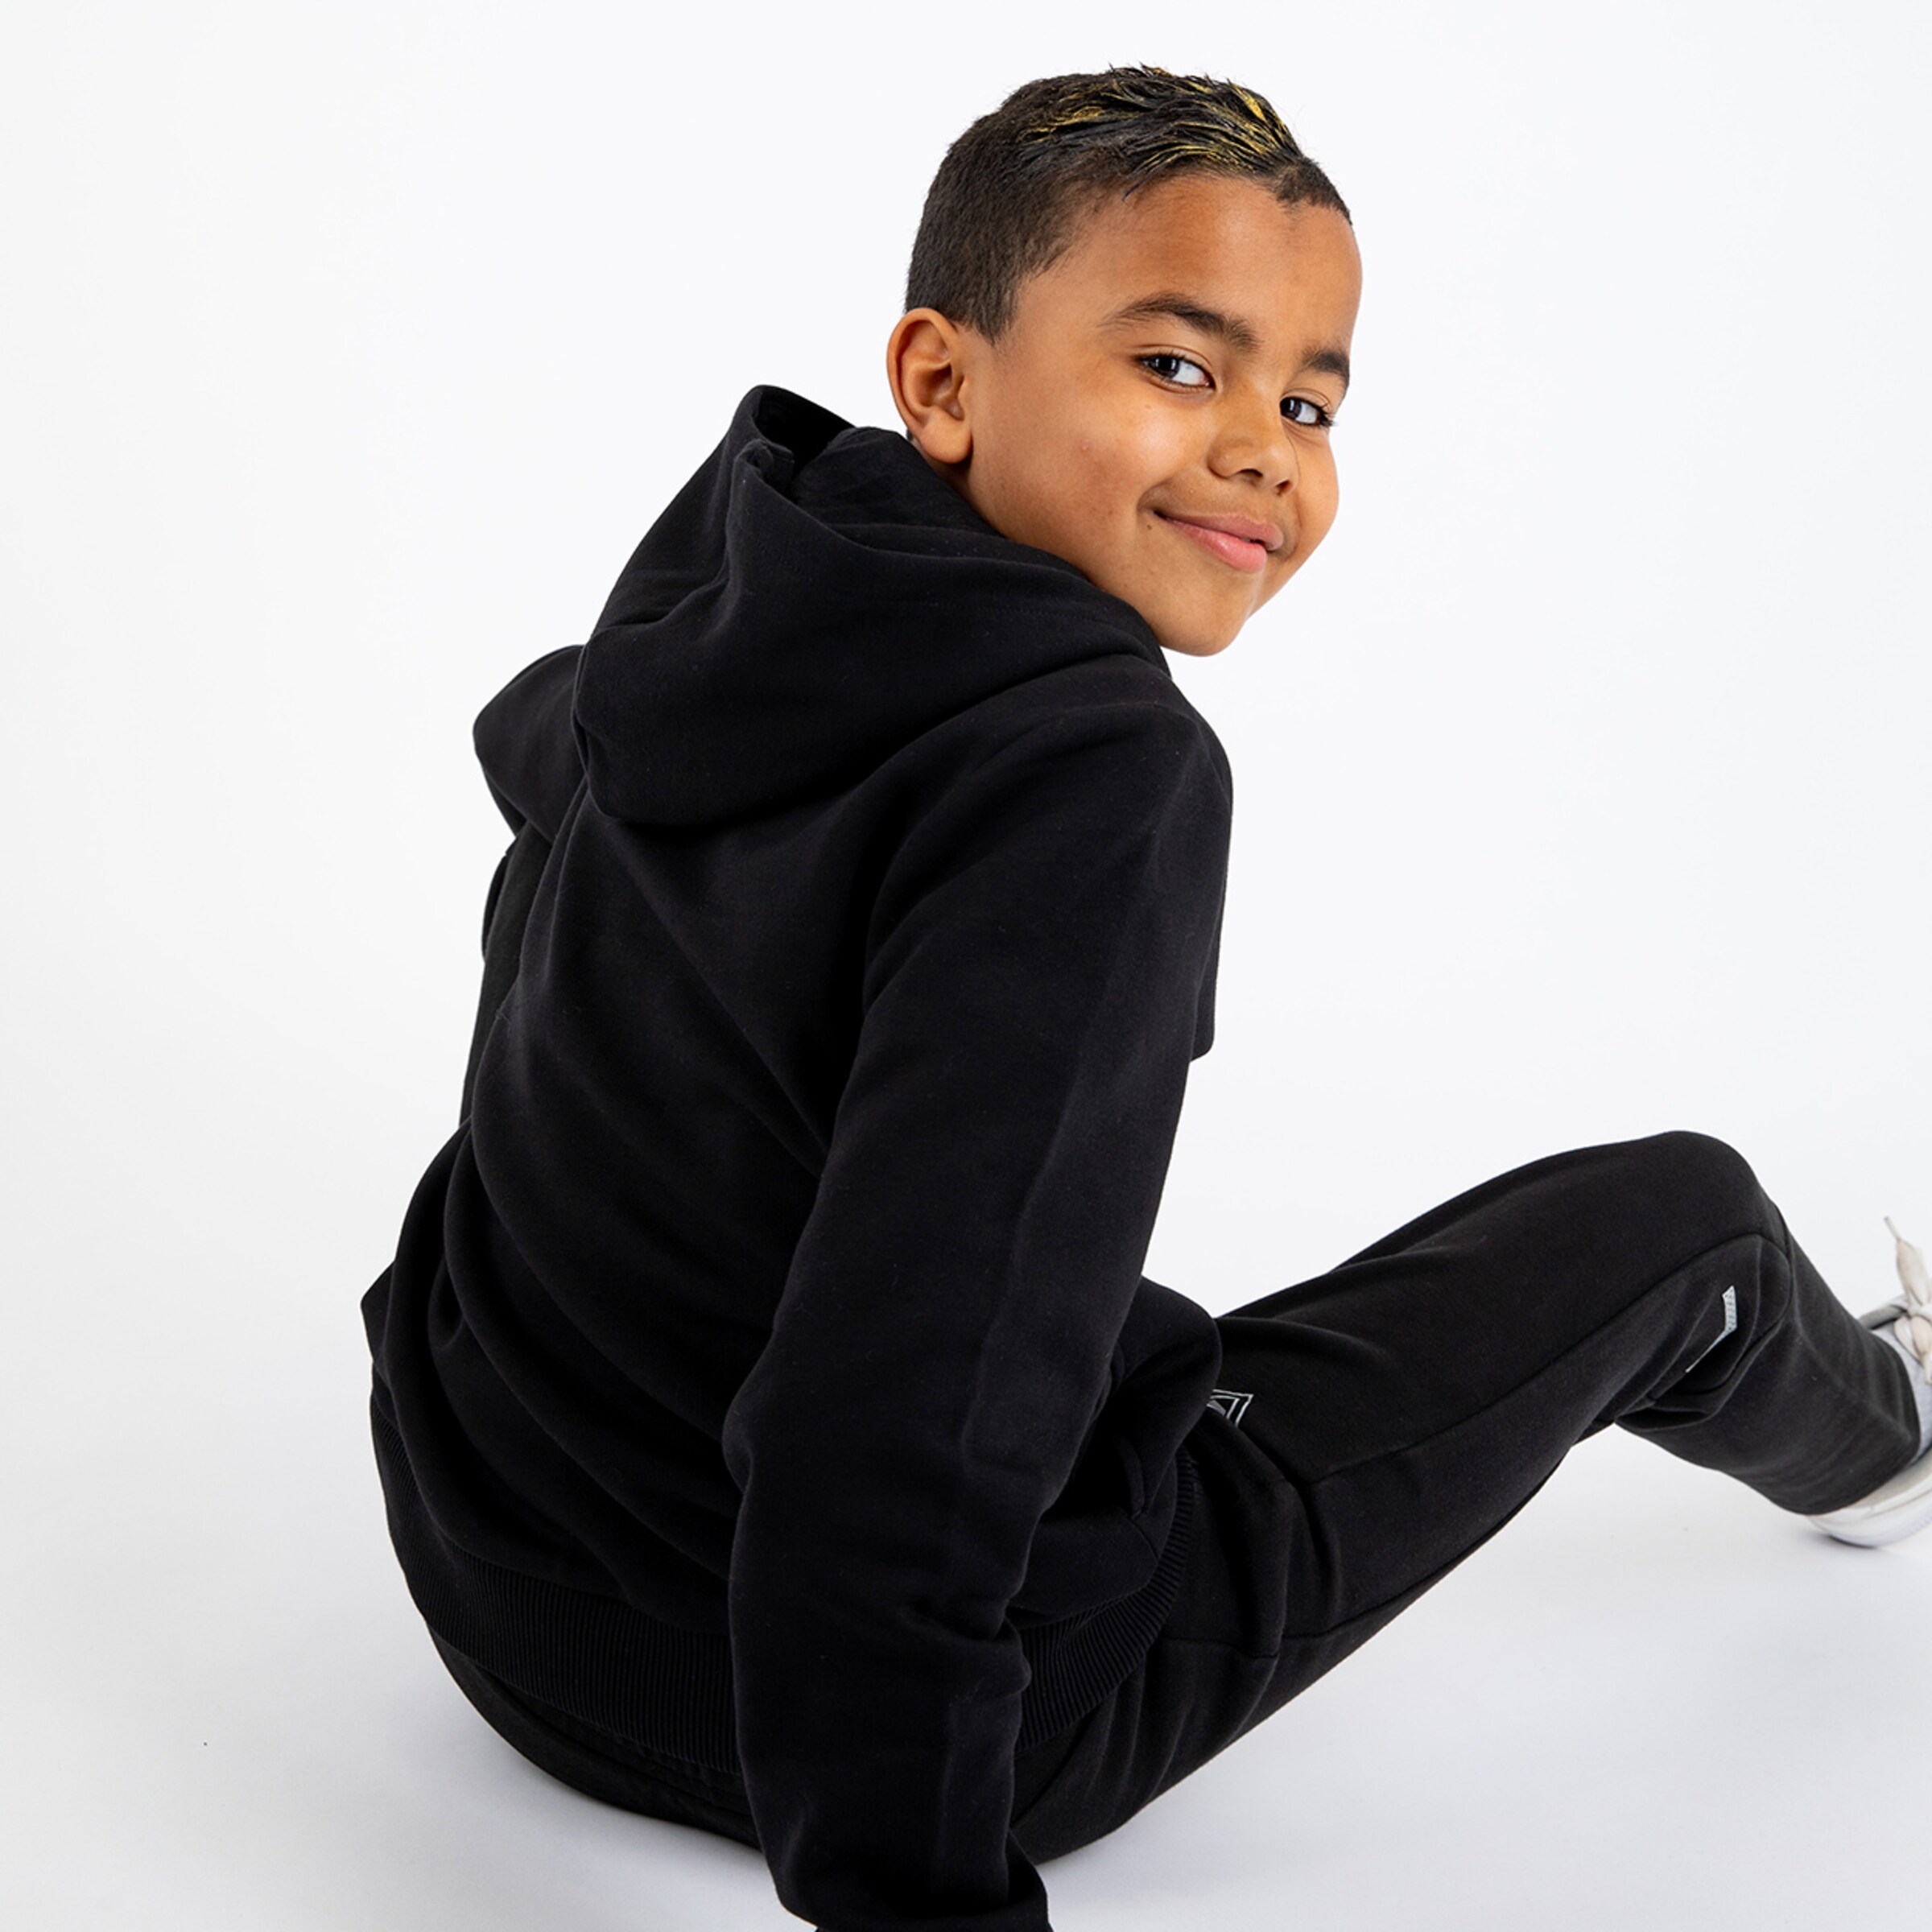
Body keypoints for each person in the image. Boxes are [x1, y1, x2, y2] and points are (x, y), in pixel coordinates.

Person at [359, 64, 1932, 1932]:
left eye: (1310, 398)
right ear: (943, 378)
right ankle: (1896, 1437)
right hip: (872, 1713)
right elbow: (911, 1416)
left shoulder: (728, 587)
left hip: (489, 1581)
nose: (1266, 446)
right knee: (1685, 1223)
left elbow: (539, 747)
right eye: (1180, 367)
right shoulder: (1093, 778)